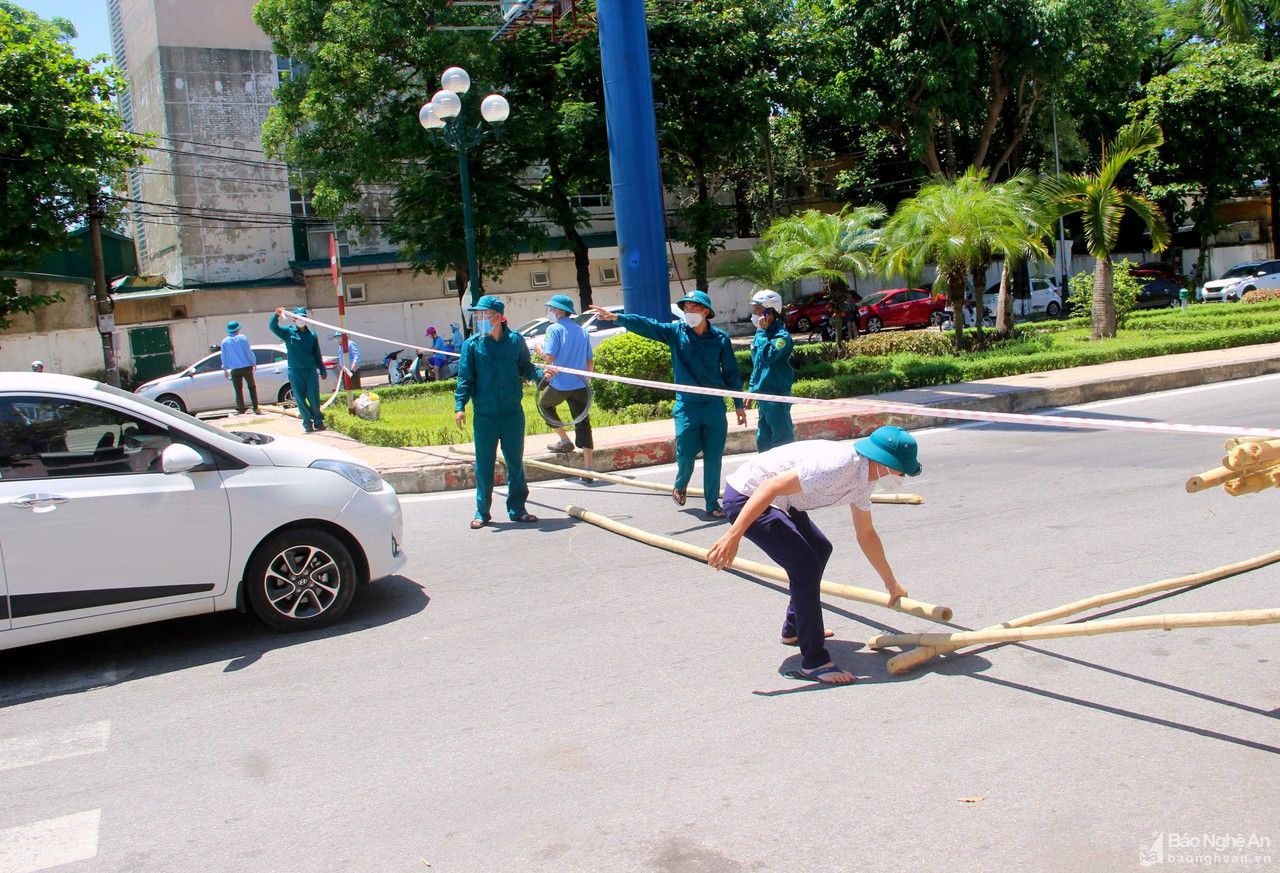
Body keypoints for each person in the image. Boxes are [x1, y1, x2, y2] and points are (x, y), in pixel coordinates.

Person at [707, 427, 918, 684]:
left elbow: (866, 534)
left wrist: (891, 583)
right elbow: (770, 486)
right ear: (886, 463)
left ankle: (795, 627)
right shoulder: (839, 466)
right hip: (748, 497)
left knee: (819, 549)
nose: (901, 476)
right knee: (805, 565)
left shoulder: (865, 479)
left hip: (780, 500)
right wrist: (733, 535)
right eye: (901, 470)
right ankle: (815, 661)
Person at [588, 290, 746, 517]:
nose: (688, 312)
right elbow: (649, 326)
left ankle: (712, 504)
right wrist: (618, 318)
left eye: (693, 307)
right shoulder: (675, 332)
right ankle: (681, 484)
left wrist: (738, 405)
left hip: (714, 406)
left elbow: (731, 374)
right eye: (686, 308)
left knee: (714, 457)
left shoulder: (721, 339)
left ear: (705, 311)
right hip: (687, 407)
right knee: (686, 453)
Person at [454, 295, 542, 529]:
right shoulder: (472, 345)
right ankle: (482, 512)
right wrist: (460, 406)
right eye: (478, 315)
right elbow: (465, 379)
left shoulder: (515, 341)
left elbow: (526, 368)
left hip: (512, 414)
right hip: (485, 416)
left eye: (483, 314)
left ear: (497, 317)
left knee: (515, 463)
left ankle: (517, 508)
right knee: (484, 464)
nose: (479, 318)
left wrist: (542, 377)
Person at [538, 294, 595, 480]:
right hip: (580, 384)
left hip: (561, 384)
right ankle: (588, 469)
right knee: (583, 421)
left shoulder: (554, 329)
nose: (549, 312)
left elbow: (549, 357)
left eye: (551, 309)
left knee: (544, 405)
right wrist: (587, 382)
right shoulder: (582, 331)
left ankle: (564, 439)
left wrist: (537, 348)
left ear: (560, 311)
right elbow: (589, 361)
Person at [745, 289, 795, 453]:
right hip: (763, 396)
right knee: (763, 440)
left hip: (776, 395)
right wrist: (752, 390)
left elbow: (767, 357)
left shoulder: (781, 337)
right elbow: (758, 364)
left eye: (757, 310)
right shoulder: (762, 335)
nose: (754, 314)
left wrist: (760, 332)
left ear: (770, 312)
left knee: (782, 441)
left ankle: (787, 476)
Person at [270, 307, 328, 433]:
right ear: (293, 319)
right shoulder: (288, 333)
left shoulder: (312, 335)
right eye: (298, 317)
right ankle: (307, 423)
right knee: (300, 398)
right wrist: (276, 316)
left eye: (303, 317)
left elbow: (317, 354)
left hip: (310, 370)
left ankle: (318, 421)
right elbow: (273, 327)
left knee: (313, 397)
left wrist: (322, 369)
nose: (301, 320)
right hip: (295, 371)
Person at [220, 321, 260, 414]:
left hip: (234, 369)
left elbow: (223, 356)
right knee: (252, 387)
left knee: (238, 390)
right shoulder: (243, 338)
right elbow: (248, 352)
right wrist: (253, 362)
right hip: (246, 367)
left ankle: (241, 410)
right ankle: (256, 407)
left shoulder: (225, 341)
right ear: (237, 329)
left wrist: (225, 369)